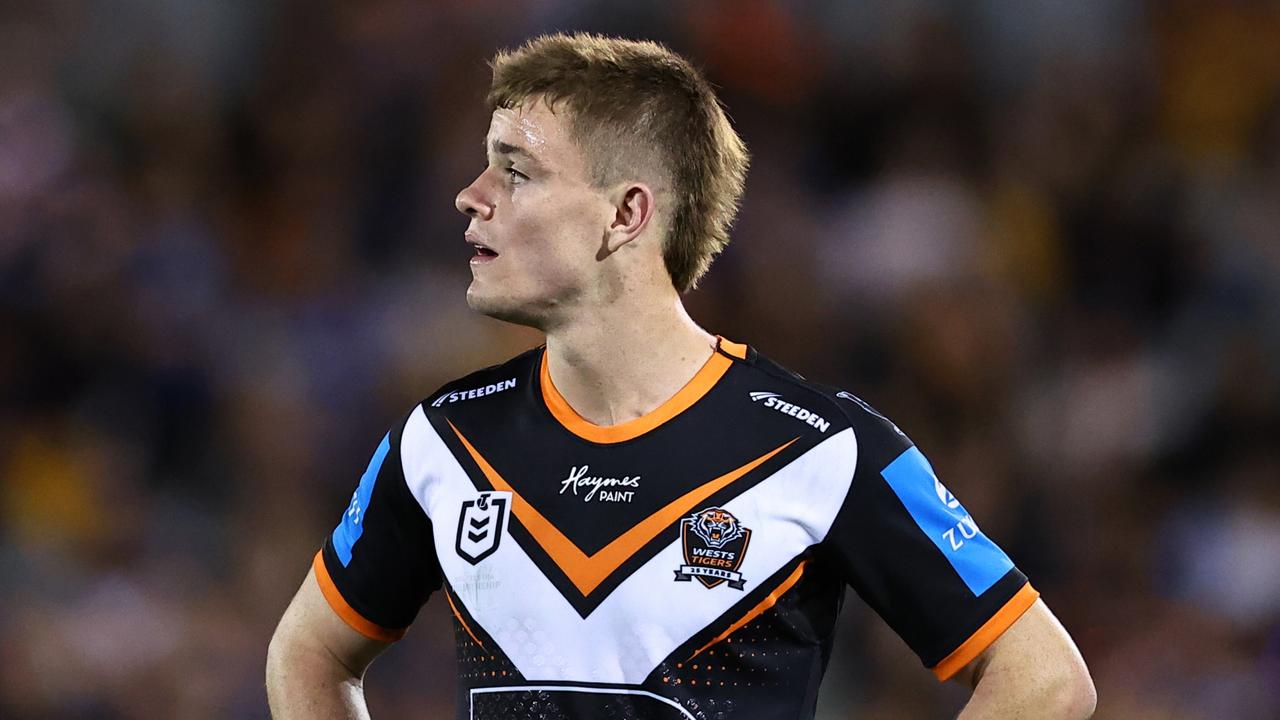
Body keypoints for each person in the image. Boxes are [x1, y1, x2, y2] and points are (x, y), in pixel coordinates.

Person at [266, 33, 1095, 720]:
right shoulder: (441, 440)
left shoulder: (821, 449)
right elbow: (307, 651)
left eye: (516, 171)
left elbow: (1044, 679)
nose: (469, 196)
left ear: (626, 214)